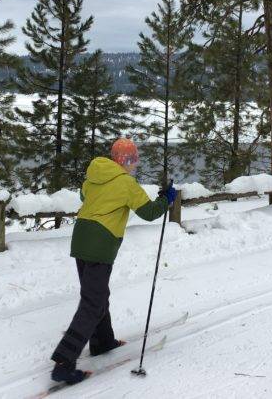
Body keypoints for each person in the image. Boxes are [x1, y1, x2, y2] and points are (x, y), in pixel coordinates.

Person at [50, 137, 177, 385]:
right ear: (127, 160)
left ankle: (102, 341)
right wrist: (166, 198)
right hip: (100, 243)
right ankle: (64, 362)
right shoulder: (126, 182)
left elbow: (83, 194)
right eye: (133, 160)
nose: (134, 165)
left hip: (81, 239)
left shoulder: (94, 176)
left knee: (96, 296)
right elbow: (149, 213)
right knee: (92, 303)